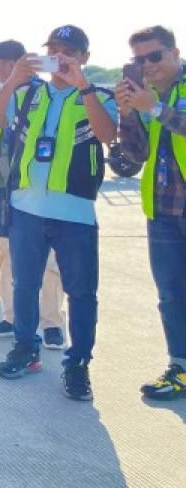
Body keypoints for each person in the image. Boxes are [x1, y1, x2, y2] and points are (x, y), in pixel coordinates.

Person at [0, 24, 117, 401]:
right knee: (24, 285)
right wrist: (11, 80)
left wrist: (83, 86)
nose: (59, 57)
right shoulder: (27, 93)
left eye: (68, 51)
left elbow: (107, 135)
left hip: (75, 211)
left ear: (84, 58)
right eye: (53, 50)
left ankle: (77, 364)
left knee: (81, 293)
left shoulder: (98, 96)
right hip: (26, 208)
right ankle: (26, 349)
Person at [0, 39, 67, 347]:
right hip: (4, 189)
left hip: (39, 190)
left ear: (15, 63)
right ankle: (12, 317)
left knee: (49, 261)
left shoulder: (42, 93)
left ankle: (51, 323)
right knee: (8, 256)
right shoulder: (5, 95)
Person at [116, 25, 186, 401]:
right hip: (161, 209)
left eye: (154, 56)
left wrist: (154, 108)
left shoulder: (161, 98)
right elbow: (135, 155)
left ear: (175, 52)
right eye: (139, 59)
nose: (147, 65)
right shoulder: (147, 96)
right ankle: (180, 368)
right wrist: (128, 113)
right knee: (171, 294)